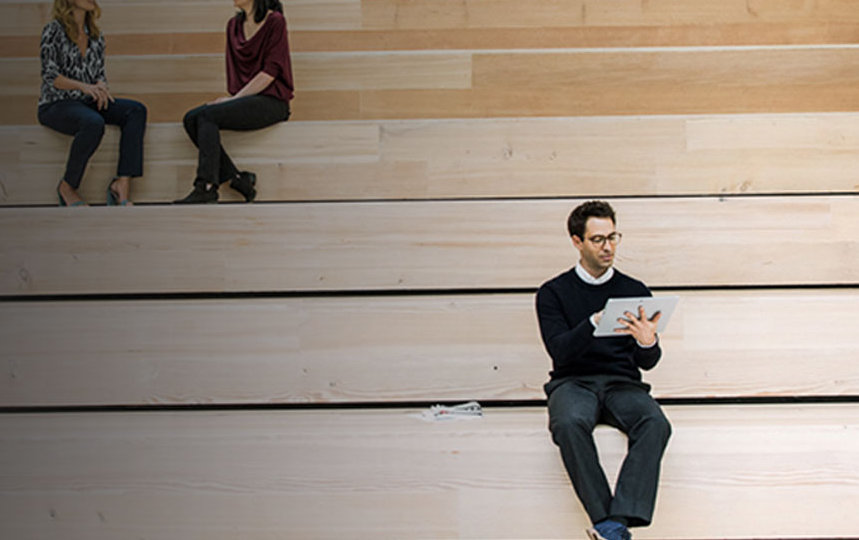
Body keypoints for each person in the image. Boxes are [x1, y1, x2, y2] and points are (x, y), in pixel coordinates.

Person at [535, 201, 672, 540]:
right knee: (568, 423)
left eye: (613, 237)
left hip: (622, 384)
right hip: (573, 382)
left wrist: (646, 343)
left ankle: (617, 522)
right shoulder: (553, 293)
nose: (608, 246)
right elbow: (560, 352)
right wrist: (593, 322)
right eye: (597, 239)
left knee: (655, 423)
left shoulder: (635, 290)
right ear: (576, 241)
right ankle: (606, 522)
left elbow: (648, 363)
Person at [174, 0, 293, 204]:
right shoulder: (233, 26)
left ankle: (207, 186)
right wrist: (233, 100)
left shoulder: (275, 21)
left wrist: (233, 100)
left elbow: (269, 73)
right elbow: (235, 73)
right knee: (191, 119)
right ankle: (238, 179)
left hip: (272, 100)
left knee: (207, 115)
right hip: (246, 98)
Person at [38, 0, 147, 207]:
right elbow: (51, 77)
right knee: (93, 122)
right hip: (56, 103)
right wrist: (83, 87)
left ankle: (121, 186)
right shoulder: (53, 30)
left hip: (86, 101)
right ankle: (67, 186)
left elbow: (99, 75)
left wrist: (100, 86)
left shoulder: (96, 36)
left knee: (136, 110)